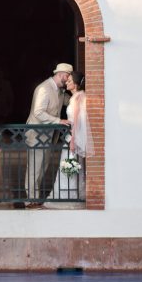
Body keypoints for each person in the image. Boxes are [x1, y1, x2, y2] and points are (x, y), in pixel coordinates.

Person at [24, 62, 72, 207]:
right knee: (34, 168)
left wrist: (79, 96)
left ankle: (35, 197)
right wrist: (58, 120)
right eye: (68, 77)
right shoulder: (44, 89)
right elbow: (38, 112)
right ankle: (31, 200)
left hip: (49, 136)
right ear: (62, 75)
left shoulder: (60, 91)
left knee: (42, 167)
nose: (68, 80)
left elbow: (69, 102)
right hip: (37, 135)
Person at [48, 70, 94, 207]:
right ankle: (72, 193)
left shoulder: (77, 98)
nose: (66, 83)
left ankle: (67, 195)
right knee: (73, 167)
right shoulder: (79, 96)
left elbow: (77, 121)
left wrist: (73, 140)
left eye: (69, 81)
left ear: (75, 84)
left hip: (72, 138)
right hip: (73, 137)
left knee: (68, 166)